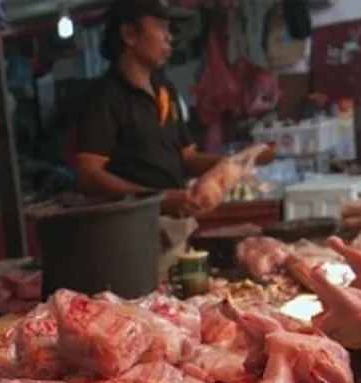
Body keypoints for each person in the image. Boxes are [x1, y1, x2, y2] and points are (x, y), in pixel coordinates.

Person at [73, 0, 272, 271]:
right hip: (131, 234)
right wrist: (158, 199)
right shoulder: (104, 96)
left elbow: (187, 157)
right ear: (129, 35)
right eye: (160, 28)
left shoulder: (164, 90)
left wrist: (241, 161)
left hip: (174, 229)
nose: (169, 37)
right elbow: (88, 174)